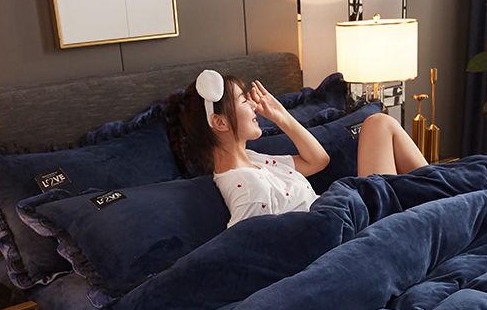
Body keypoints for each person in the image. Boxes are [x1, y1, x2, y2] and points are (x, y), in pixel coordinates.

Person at [180, 69, 428, 227]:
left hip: (349, 212)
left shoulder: (254, 160)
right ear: (220, 122)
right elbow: (250, 246)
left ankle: (441, 199)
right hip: (354, 227)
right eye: (244, 100)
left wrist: (281, 116)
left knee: (379, 124)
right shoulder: (246, 186)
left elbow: (318, 160)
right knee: (380, 126)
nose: (254, 106)